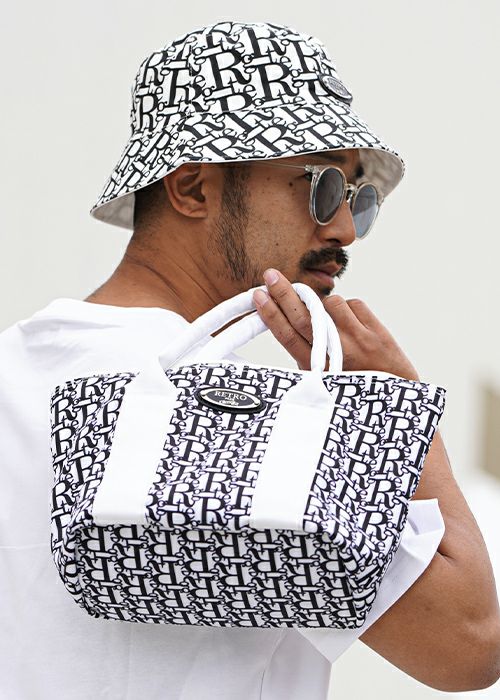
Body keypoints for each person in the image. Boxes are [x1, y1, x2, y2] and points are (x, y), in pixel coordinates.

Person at [1, 20, 499, 700]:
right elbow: (470, 643)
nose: (345, 228)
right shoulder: (240, 422)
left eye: (359, 199)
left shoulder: (13, 373)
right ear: (193, 189)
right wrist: (394, 406)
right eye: (322, 184)